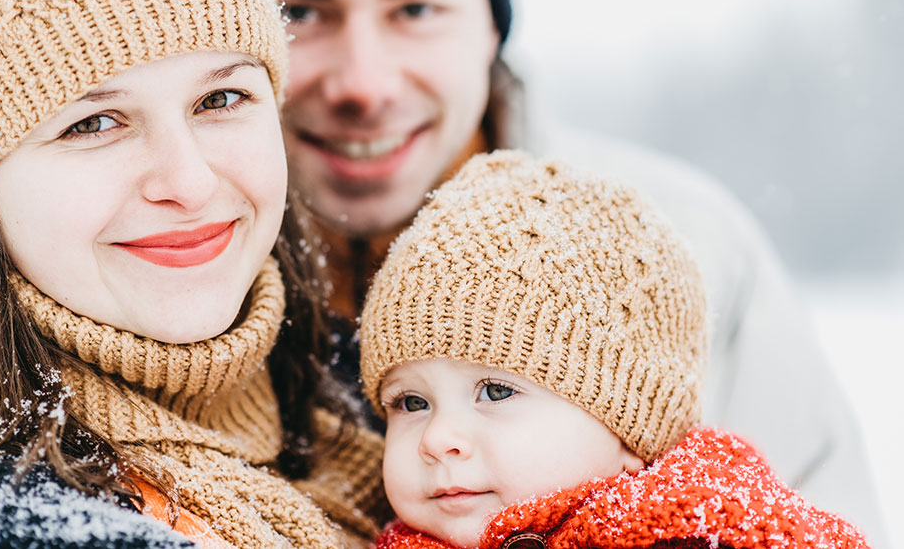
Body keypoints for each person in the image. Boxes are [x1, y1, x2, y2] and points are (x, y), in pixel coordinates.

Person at [247, 0, 889, 544]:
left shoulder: (693, 238)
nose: (364, 84)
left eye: (416, 11)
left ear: (493, 27)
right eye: (299, 12)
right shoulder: (175, 260)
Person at [0, 0, 385, 548]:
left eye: (220, 101)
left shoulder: (396, 395)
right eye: (95, 123)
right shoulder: (8, 522)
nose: (190, 184)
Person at [358, 150, 870, 549]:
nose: (438, 438)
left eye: (495, 390)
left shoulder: (703, 528)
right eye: (411, 403)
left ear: (631, 432)